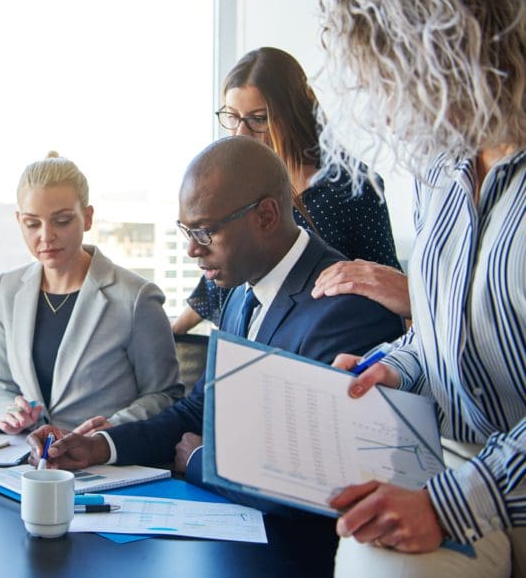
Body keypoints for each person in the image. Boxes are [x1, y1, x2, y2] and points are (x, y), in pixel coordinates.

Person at [27, 137, 404, 514]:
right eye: (186, 230)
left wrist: (202, 461)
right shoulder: (240, 291)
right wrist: (99, 446)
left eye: (205, 231)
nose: (192, 249)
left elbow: (321, 480)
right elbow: (200, 409)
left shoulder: (346, 308)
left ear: (267, 217)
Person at [317, 0, 526, 576]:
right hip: (452, 454)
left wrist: (452, 504)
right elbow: (447, 327)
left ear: (458, 50)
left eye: (392, 76)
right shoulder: (442, 168)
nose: (384, 110)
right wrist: (397, 367)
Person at [171, 47, 405, 334]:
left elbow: (385, 281)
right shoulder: (239, 188)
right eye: (232, 117)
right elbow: (215, 280)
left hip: (330, 340)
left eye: (258, 119)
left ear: (292, 114)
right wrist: (172, 334)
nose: (242, 133)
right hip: (256, 335)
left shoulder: (352, 187)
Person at [0, 153, 184, 434]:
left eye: (62, 221)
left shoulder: (135, 297)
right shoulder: (8, 289)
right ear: (19, 221)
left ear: (87, 218)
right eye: (32, 223)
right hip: (26, 464)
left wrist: (102, 434)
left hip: (104, 466)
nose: (46, 235)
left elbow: (165, 396)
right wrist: (12, 413)